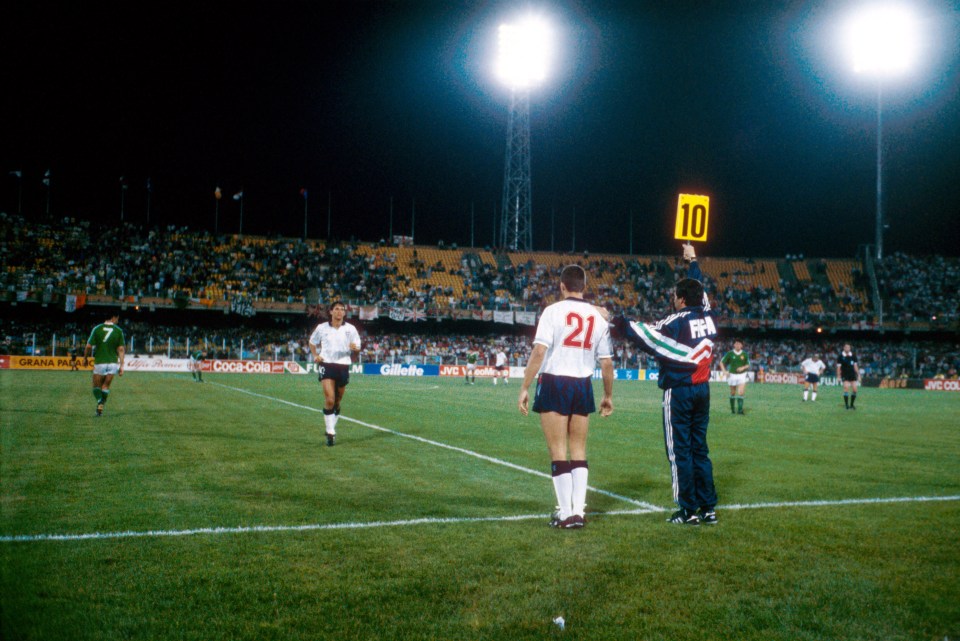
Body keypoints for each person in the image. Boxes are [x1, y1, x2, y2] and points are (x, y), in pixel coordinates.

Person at [607, 243, 718, 526]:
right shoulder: (707, 316)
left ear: (681, 299)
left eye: (674, 296)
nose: (672, 299)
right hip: (703, 390)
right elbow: (700, 289)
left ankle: (688, 510)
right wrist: (692, 261)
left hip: (679, 391)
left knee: (679, 451)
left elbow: (649, 336)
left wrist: (617, 321)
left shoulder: (675, 321)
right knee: (700, 449)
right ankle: (708, 508)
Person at [518, 264, 614, 529]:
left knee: (558, 450)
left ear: (562, 286)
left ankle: (565, 513)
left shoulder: (552, 311)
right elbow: (606, 363)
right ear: (584, 286)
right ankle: (578, 513)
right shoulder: (599, 317)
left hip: (554, 382)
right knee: (579, 451)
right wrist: (607, 395)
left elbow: (539, 352)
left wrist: (524, 387)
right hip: (583, 384)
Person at [309, 301, 361, 447]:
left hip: (343, 365)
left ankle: (331, 426)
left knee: (337, 401)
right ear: (331, 312)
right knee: (330, 399)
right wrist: (315, 355)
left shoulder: (351, 329)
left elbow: (357, 348)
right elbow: (312, 343)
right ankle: (330, 431)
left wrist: (354, 350)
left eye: (342, 309)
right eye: (336, 309)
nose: (339, 312)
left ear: (344, 313)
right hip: (326, 364)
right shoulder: (322, 328)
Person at [84, 312, 125, 417]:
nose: (118, 321)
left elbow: (88, 346)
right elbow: (121, 349)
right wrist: (121, 366)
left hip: (100, 362)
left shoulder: (97, 329)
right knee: (105, 386)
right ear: (113, 317)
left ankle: (99, 401)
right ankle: (100, 408)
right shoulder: (119, 331)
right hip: (112, 363)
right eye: (117, 318)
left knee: (96, 386)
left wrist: (85, 358)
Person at [836, 343, 860, 410]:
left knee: (855, 390)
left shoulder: (853, 356)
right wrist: (838, 376)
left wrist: (858, 375)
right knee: (846, 388)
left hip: (852, 374)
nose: (847, 348)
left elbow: (855, 366)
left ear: (850, 348)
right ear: (844, 348)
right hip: (844, 374)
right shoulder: (840, 356)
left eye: (848, 347)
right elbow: (838, 368)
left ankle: (852, 405)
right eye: (846, 347)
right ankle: (846, 405)